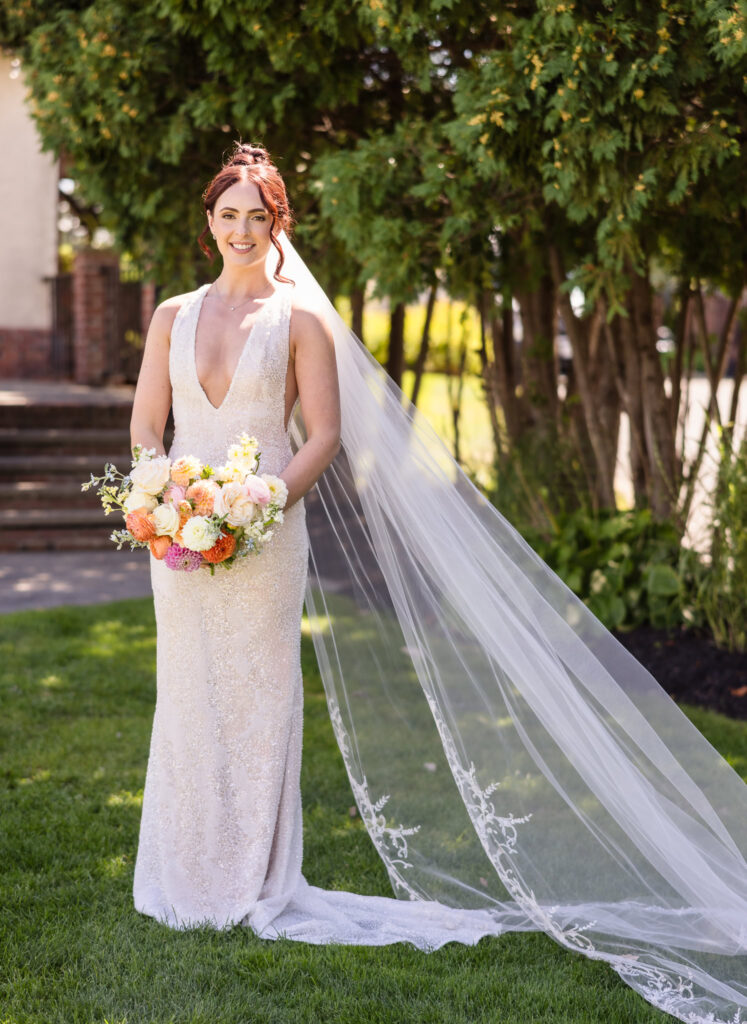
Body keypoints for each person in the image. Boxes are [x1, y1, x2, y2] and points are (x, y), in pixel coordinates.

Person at [128, 143, 747, 1024]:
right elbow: (147, 423)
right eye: (226, 215)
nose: (239, 230)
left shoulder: (298, 320)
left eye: (255, 217)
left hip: (265, 535)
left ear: (278, 226)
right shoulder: (170, 315)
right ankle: (184, 872)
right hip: (181, 544)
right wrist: (160, 495)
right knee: (187, 700)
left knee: (257, 700)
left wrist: (258, 504)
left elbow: (323, 436)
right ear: (208, 223)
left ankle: (250, 880)